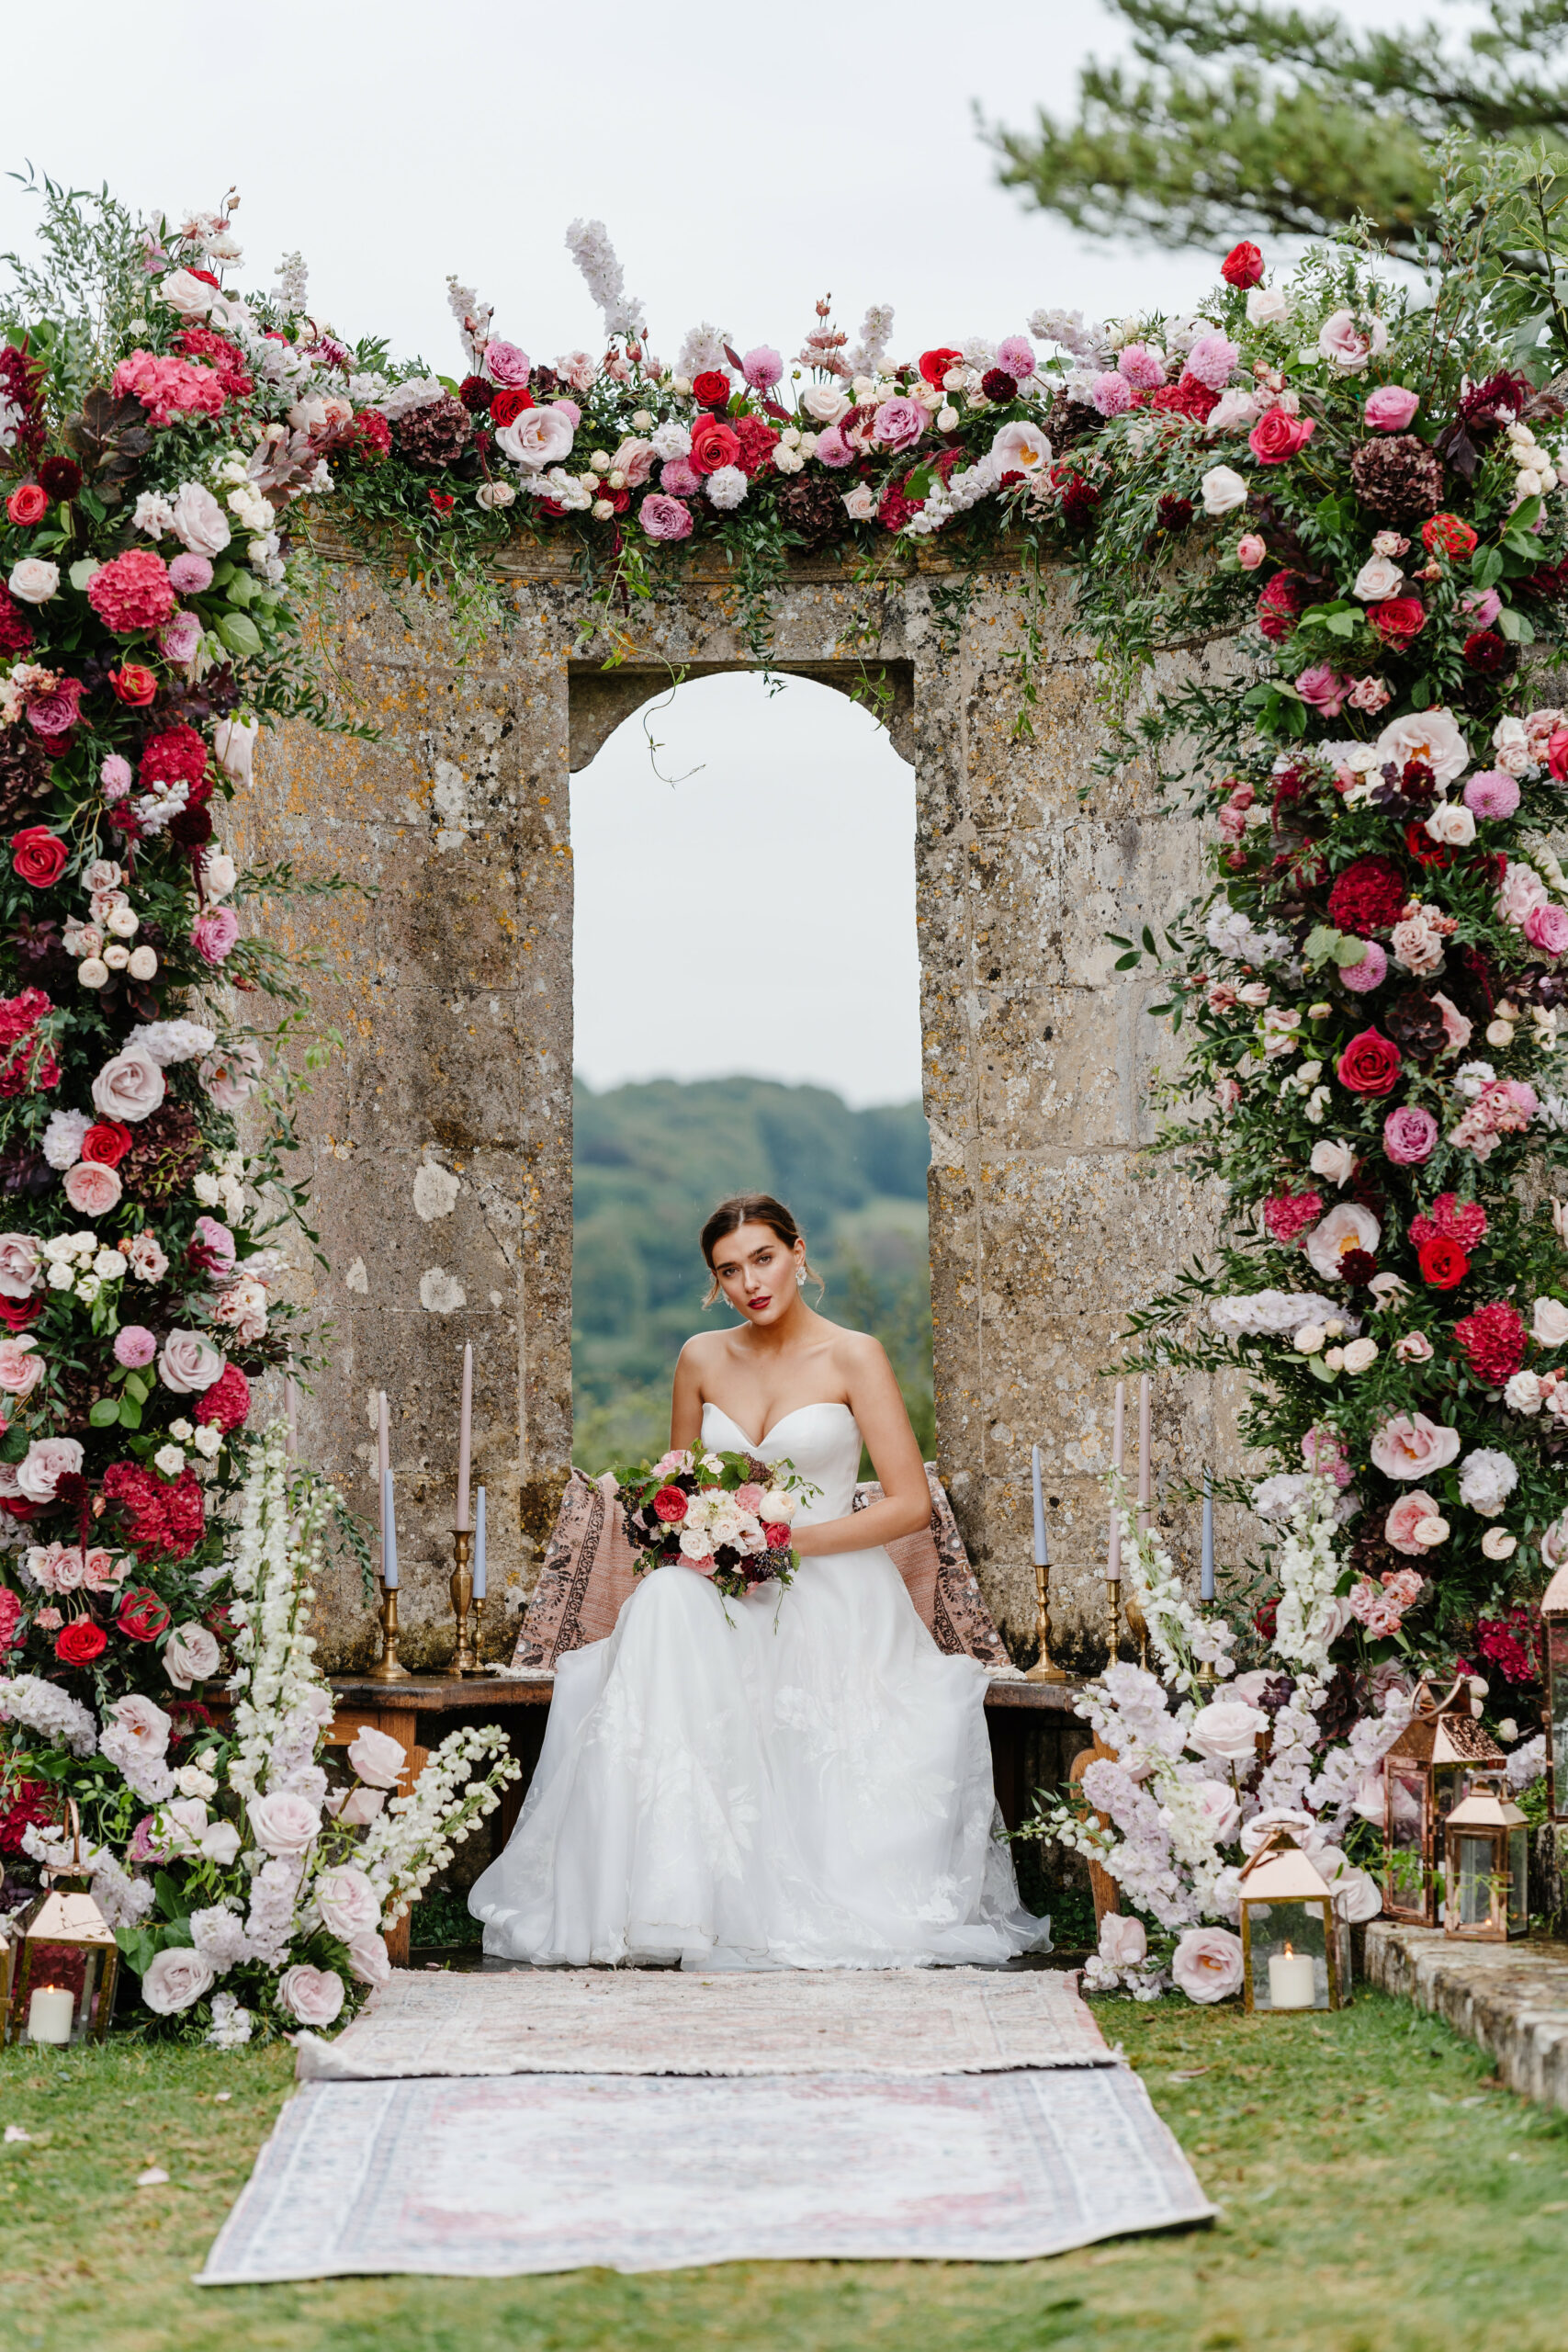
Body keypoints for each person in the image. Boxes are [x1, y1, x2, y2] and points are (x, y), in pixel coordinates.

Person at [469, 1192, 1048, 1968]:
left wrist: (782, 1544)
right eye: (729, 1270)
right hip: (723, 1589)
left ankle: (754, 1897)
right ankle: (655, 1903)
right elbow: (678, 1494)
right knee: (668, 1598)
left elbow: (909, 1505)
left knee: (698, 1621)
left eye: (763, 1258)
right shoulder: (701, 1357)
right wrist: (706, 1542)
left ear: (799, 1252)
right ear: (716, 1283)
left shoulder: (854, 1355)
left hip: (833, 1590)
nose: (751, 1282)